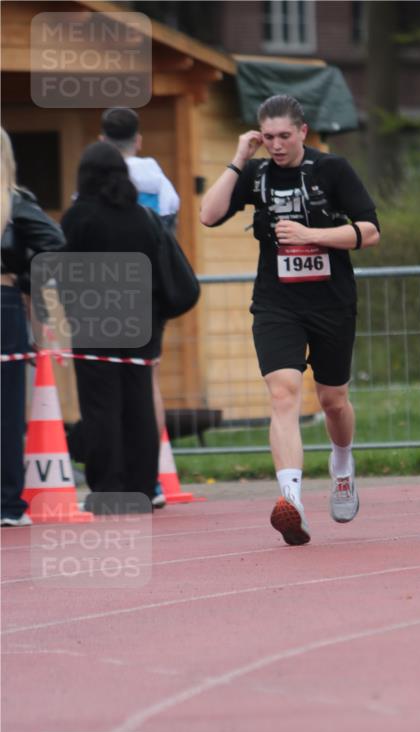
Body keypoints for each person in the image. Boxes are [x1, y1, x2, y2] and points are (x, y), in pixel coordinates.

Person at [200, 94, 380, 546]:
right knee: (283, 392)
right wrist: (240, 157)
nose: (277, 145)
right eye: (269, 137)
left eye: (285, 136)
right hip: (277, 303)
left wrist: (311, 234)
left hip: (331, 301)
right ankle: (291, 501)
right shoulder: (256, 173)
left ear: (302, 132)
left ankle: (341, 463)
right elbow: (208, 214)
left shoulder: (332, 170)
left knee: (332, 398)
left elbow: (369, 230)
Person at [61, 142, 168, 509]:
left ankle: (108, 489)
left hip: (94, 322)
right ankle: (142, 486)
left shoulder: (80, 217)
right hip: (141, 321)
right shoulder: (141, 216)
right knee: (138, 404)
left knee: (100, 408)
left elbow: (65, 272)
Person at [100, 106, 181, 508]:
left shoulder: (95, 180)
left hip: (105, 294)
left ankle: (117, 479)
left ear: (102, 140)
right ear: (140, 140)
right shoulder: (160, 183)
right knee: (147, 381)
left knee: (108, 387)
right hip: (149, 293)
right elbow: (169, 238)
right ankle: (152, 481)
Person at [1, 126, 65, 527]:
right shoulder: (14, 203)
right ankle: (6, 503)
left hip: (6, 303)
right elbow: (55, 243)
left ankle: (7, 502)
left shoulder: (15, 204)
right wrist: (27, 279)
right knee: (5, 410)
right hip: (4, 304)